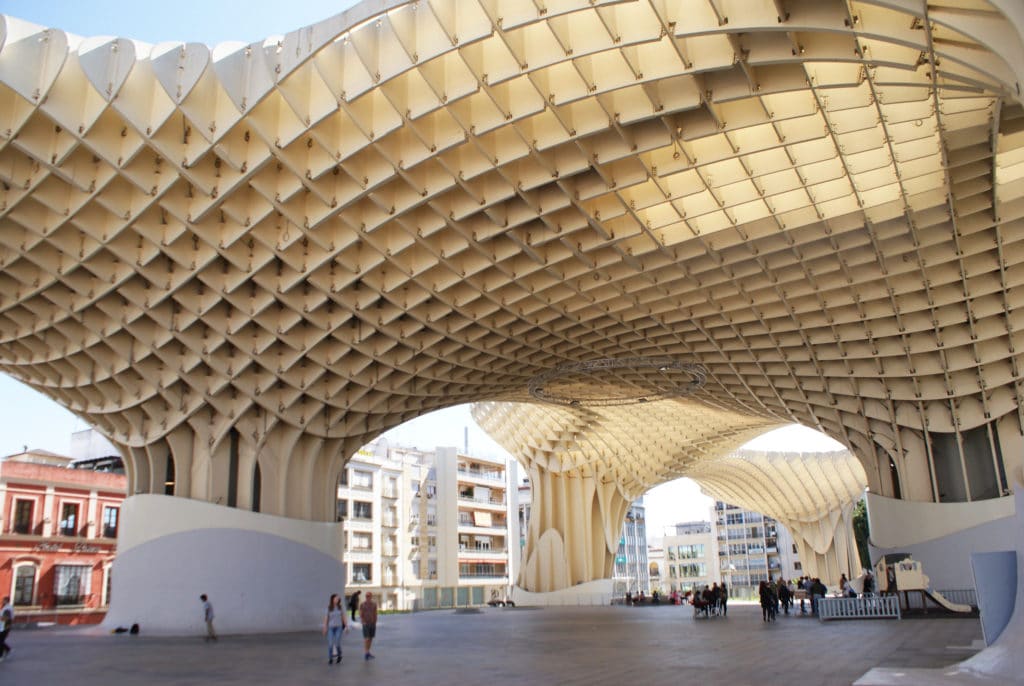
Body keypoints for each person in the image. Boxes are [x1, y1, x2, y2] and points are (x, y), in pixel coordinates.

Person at [323, 593, 347, 664]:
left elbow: (343, 617)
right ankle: (330, 658)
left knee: (337, 643)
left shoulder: (340, 607)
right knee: (330, 644)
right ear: (332, 599)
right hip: (330, 628)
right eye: (336, 598)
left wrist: (346, 626)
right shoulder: (329, 608)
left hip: (338, 628)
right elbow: (326, 618)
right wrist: (325, 627)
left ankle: (339, 655)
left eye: (338, 598)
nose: (337, 599)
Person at [359, 591, 378, 660]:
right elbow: (360, 613)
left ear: (371, 596)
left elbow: (375, 613)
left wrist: (375, 621)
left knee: (370, 638)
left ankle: (368, 652)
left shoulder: (374, 604)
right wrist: (362, 621)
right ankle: (366, 652)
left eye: (369, 596)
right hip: (365, 623)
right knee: (366, 638)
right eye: (367, 596)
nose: (368, 597)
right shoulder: (362, 604)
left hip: (372, 623)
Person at [0, 596, 13, 661]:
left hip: (5, 627)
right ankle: (7, 649)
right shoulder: (5, 607)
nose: (2, 601)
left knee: (0, 641)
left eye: (3, 600)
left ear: (6, 601)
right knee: (1, 641)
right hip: (3, 627)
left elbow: (5, 618)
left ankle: (1, 656)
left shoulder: (7, 608)